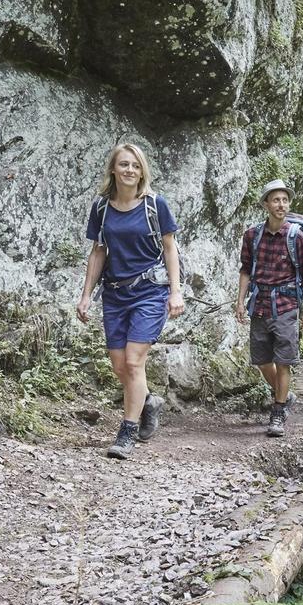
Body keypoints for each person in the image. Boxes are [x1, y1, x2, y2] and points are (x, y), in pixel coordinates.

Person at [76, 143, 185, 459]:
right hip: (114, 294)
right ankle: (149, 401)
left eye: (135, 166)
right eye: (124, 165)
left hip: (150, 292)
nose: (129, 170)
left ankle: (126, 432)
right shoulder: (102, 208)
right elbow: (98, 252)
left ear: (142, 171)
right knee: (120, 366)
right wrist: (85, 296)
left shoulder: (155, 205)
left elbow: (169, 248)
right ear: (113, 169)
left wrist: (175, 292)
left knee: (135, 362)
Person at [235, 180, 303, 438]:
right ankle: (285, 394)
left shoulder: (297, 237)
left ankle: (278, 411)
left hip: (286, 306)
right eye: (275, 200)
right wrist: (240, 301)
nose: (281, 205)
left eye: (284, 200)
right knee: (261, 361)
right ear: (265, 204)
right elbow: (246, 269)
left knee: (283, 362)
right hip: (259, 304)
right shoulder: (252, 235)